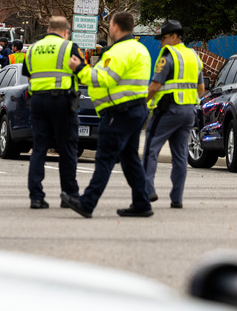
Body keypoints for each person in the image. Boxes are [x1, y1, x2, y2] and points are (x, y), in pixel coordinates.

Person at [62, 11, 153, 219]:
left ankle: (87, 202)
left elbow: (102, 78)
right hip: (137, 109)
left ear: (115, 27)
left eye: (110, 24)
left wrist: (79, 68)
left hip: (118, 112)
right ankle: (141, 203)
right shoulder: (141, 49)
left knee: (104, 159)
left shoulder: (118, 52)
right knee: (130, 160)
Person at [142, 20, 205, 209]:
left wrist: (140, 103)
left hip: (169, 110)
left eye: (163, 38)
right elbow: (201, 89)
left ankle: (147, 190)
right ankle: (176, 198)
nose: (161, 42)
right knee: (180, 156)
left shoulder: (168, 56)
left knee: (151, 149)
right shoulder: (193, 56)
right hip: (188, 112)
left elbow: (154, 86)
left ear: (174, 37)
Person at [21, 16, 82, 209]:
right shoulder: (69, 47)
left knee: (39, 148)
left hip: (37, 101)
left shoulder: (32, 49)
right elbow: (81, 71)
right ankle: (69, 194)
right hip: (62, 101)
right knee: (67, 148)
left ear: (48, 30)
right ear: (66, 31)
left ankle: (36, 197)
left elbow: (29, 76)